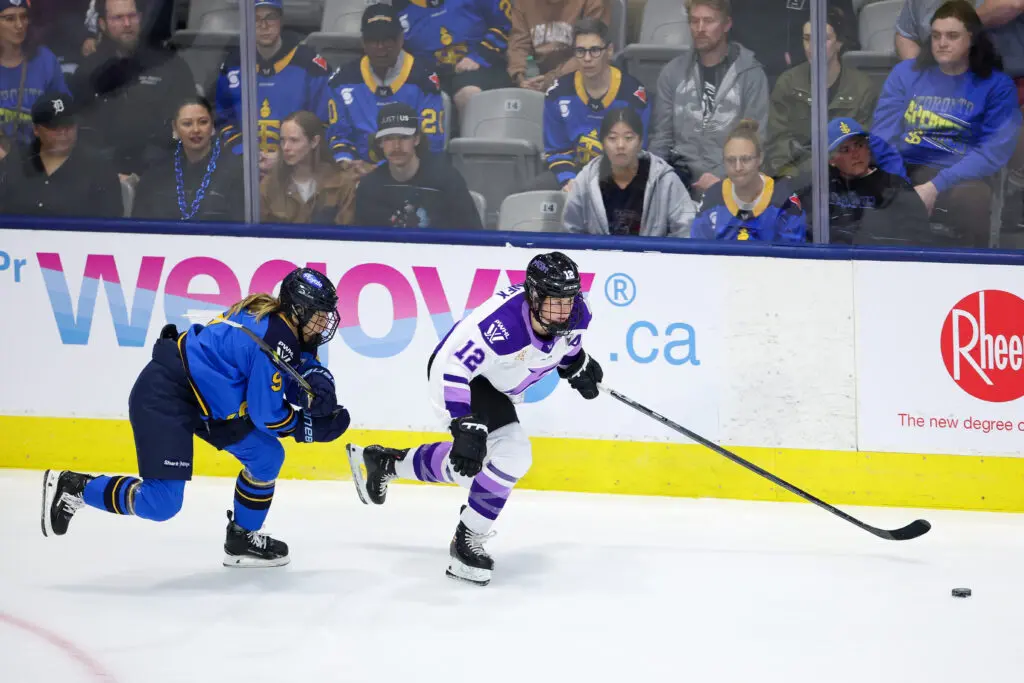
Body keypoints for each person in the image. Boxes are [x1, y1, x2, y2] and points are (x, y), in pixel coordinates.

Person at [41, 267, 351, 567]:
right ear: (298, 311)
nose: (324, 324)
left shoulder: (274, 320)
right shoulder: (272, 340)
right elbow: (265, 416)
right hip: (169, 394)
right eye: (319, 315)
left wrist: (319, 383)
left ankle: (241, 538)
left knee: (266, 457)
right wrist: (306, 429)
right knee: (161, 503)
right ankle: (76, 487)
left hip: (210, 403)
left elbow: (294, 364)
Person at [346, 251, 600, 586]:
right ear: (534, 296)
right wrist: (463, 421)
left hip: (494, 382)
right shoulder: (500, 325)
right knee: (512, 454)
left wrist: (576, 364)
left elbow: (566, 343)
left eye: (569, 300)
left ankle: (387, 462)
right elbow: (456, 368)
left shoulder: (576, 311)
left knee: (480, 471)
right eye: (556, 302)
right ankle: (466, 541)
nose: (565, 311)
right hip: (458, 378)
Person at [872, 0, 1022, 247]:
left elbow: (993, 152)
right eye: (936, 36)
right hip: (907, 166)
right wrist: (898, 178)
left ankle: (972, 272)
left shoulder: (996, 85)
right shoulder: (905, 75)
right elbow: (883, 135)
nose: (942, 43)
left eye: (952, 36)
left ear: (971, 39)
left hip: (962, 173)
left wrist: (935, 186)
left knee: (973, 200)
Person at [649, 0, 769, 196]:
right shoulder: (672, 73)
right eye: (694, 21)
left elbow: (755, 140)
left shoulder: (750, 75)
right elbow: (661, 139)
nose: (700, 28)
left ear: (727, 24)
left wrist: (723, 179)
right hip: (679, 182)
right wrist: (656, 180)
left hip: (734, 182)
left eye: (708, 21)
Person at [68, 0, 196, 178]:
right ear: (102, 24)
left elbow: (186, 126)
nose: (127, 24)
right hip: (101, 176)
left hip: (159, 175)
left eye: (132, 16)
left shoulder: (169, 65)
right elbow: (76, 133)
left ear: (141, 19)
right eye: (118, 18)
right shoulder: (88, 71)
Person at [764, 7, 878, 180]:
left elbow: (866, 148)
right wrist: (801, 177)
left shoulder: (862, 88)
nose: (812, 47)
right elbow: (776, 145)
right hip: (796, 181)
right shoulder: (788, 84)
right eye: (807, 39)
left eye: (823, 39)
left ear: (839, 43)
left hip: (847, 180)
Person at [536, 18, 649, 192]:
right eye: (580, 51)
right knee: (533, 189)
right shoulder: (557, 94)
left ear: (609, 51)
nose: (587, 58)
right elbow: (557, 149)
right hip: (573, 172)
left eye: (595, 50)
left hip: (619, 175)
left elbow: (640, 151)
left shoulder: (633, 95)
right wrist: (568, 180)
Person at [215, 0, 339, 159]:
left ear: (281, 20)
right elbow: (222, 120)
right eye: (256, 18)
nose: (264, 25)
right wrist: (244, 152)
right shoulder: (232, 64)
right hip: (244, 167)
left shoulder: (311, 66)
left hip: (298, 166)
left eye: (270, 17)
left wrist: (286, 157)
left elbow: (325, 125)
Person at [329, 3, 445, 170]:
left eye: (387, 40)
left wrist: (380, 171)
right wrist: (346, 162)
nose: (380, 47)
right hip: (355, 172)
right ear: (363, 42)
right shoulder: (342, 80)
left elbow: (431, 144)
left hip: (410, 175)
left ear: (400, 39)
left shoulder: (424, 80)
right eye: (373, 40)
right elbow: (339, 135)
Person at [563, 107, 695, 236]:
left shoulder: (665, 180)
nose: (620, 145)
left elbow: (685, 229)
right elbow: (571, 231)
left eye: (628, 138)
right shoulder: (586, 180)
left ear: (640, 142)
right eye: (612, 138)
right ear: (602, 143)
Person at [354, 102, 481, 229]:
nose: (396, 146)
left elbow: (472, 235)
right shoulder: (369, 187)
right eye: (388, 139)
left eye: (404, 137)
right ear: (380, 143)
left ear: (416, 139)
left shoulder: (447, 180)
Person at [0, 90, 122, 217]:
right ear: (36, 129)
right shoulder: (14, 163)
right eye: (54, 127)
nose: (63, 133)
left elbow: (110, 226)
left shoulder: (99, 169)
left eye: (68, 126)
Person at [819, 117, 931, 245]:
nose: (856, 154)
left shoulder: (895, 187)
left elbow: (919, 241)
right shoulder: (822, 188)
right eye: (845, 150)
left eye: (859, 145)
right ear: (831, 160)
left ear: (868, 149)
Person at [690, 118, 807, 241]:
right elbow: (699, 250)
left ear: (759, 158)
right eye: (731, 160)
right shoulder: (712, 198)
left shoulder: (783, 198)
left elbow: (792, 254)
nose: (738, 167)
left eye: (745, 159)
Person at [133, 96, 244, 221]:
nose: (196, 130)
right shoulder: (156, 172)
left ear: (212, 125)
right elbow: (139, 223)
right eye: (187, 124)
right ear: (175, 127)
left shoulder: (236, 169)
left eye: (203, 122)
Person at [393, 0, 513, 115]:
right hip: (429, 75)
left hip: (481, 67)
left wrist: (479, 56)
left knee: (469, 94)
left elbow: (505, 25)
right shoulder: (399, 9)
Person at [261, 110, 359, 224]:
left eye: (294, 140)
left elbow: (346, 234)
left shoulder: (342, 184)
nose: (286, 147)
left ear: (314, 141)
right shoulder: (269, 185)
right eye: (283, 140)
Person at [0, 0, 68, 158]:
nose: (19, 25)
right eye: (9, 19)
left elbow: (63, 108)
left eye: (23, 17)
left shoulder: (45, 60)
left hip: (39, 158)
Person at [506, 0, 609, 92]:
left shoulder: (592, 2)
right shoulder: (523, 3)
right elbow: (518, 43)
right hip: (540, 78)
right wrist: (519, 75)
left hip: (582, 78)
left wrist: (552, 78)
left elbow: (590, 51)